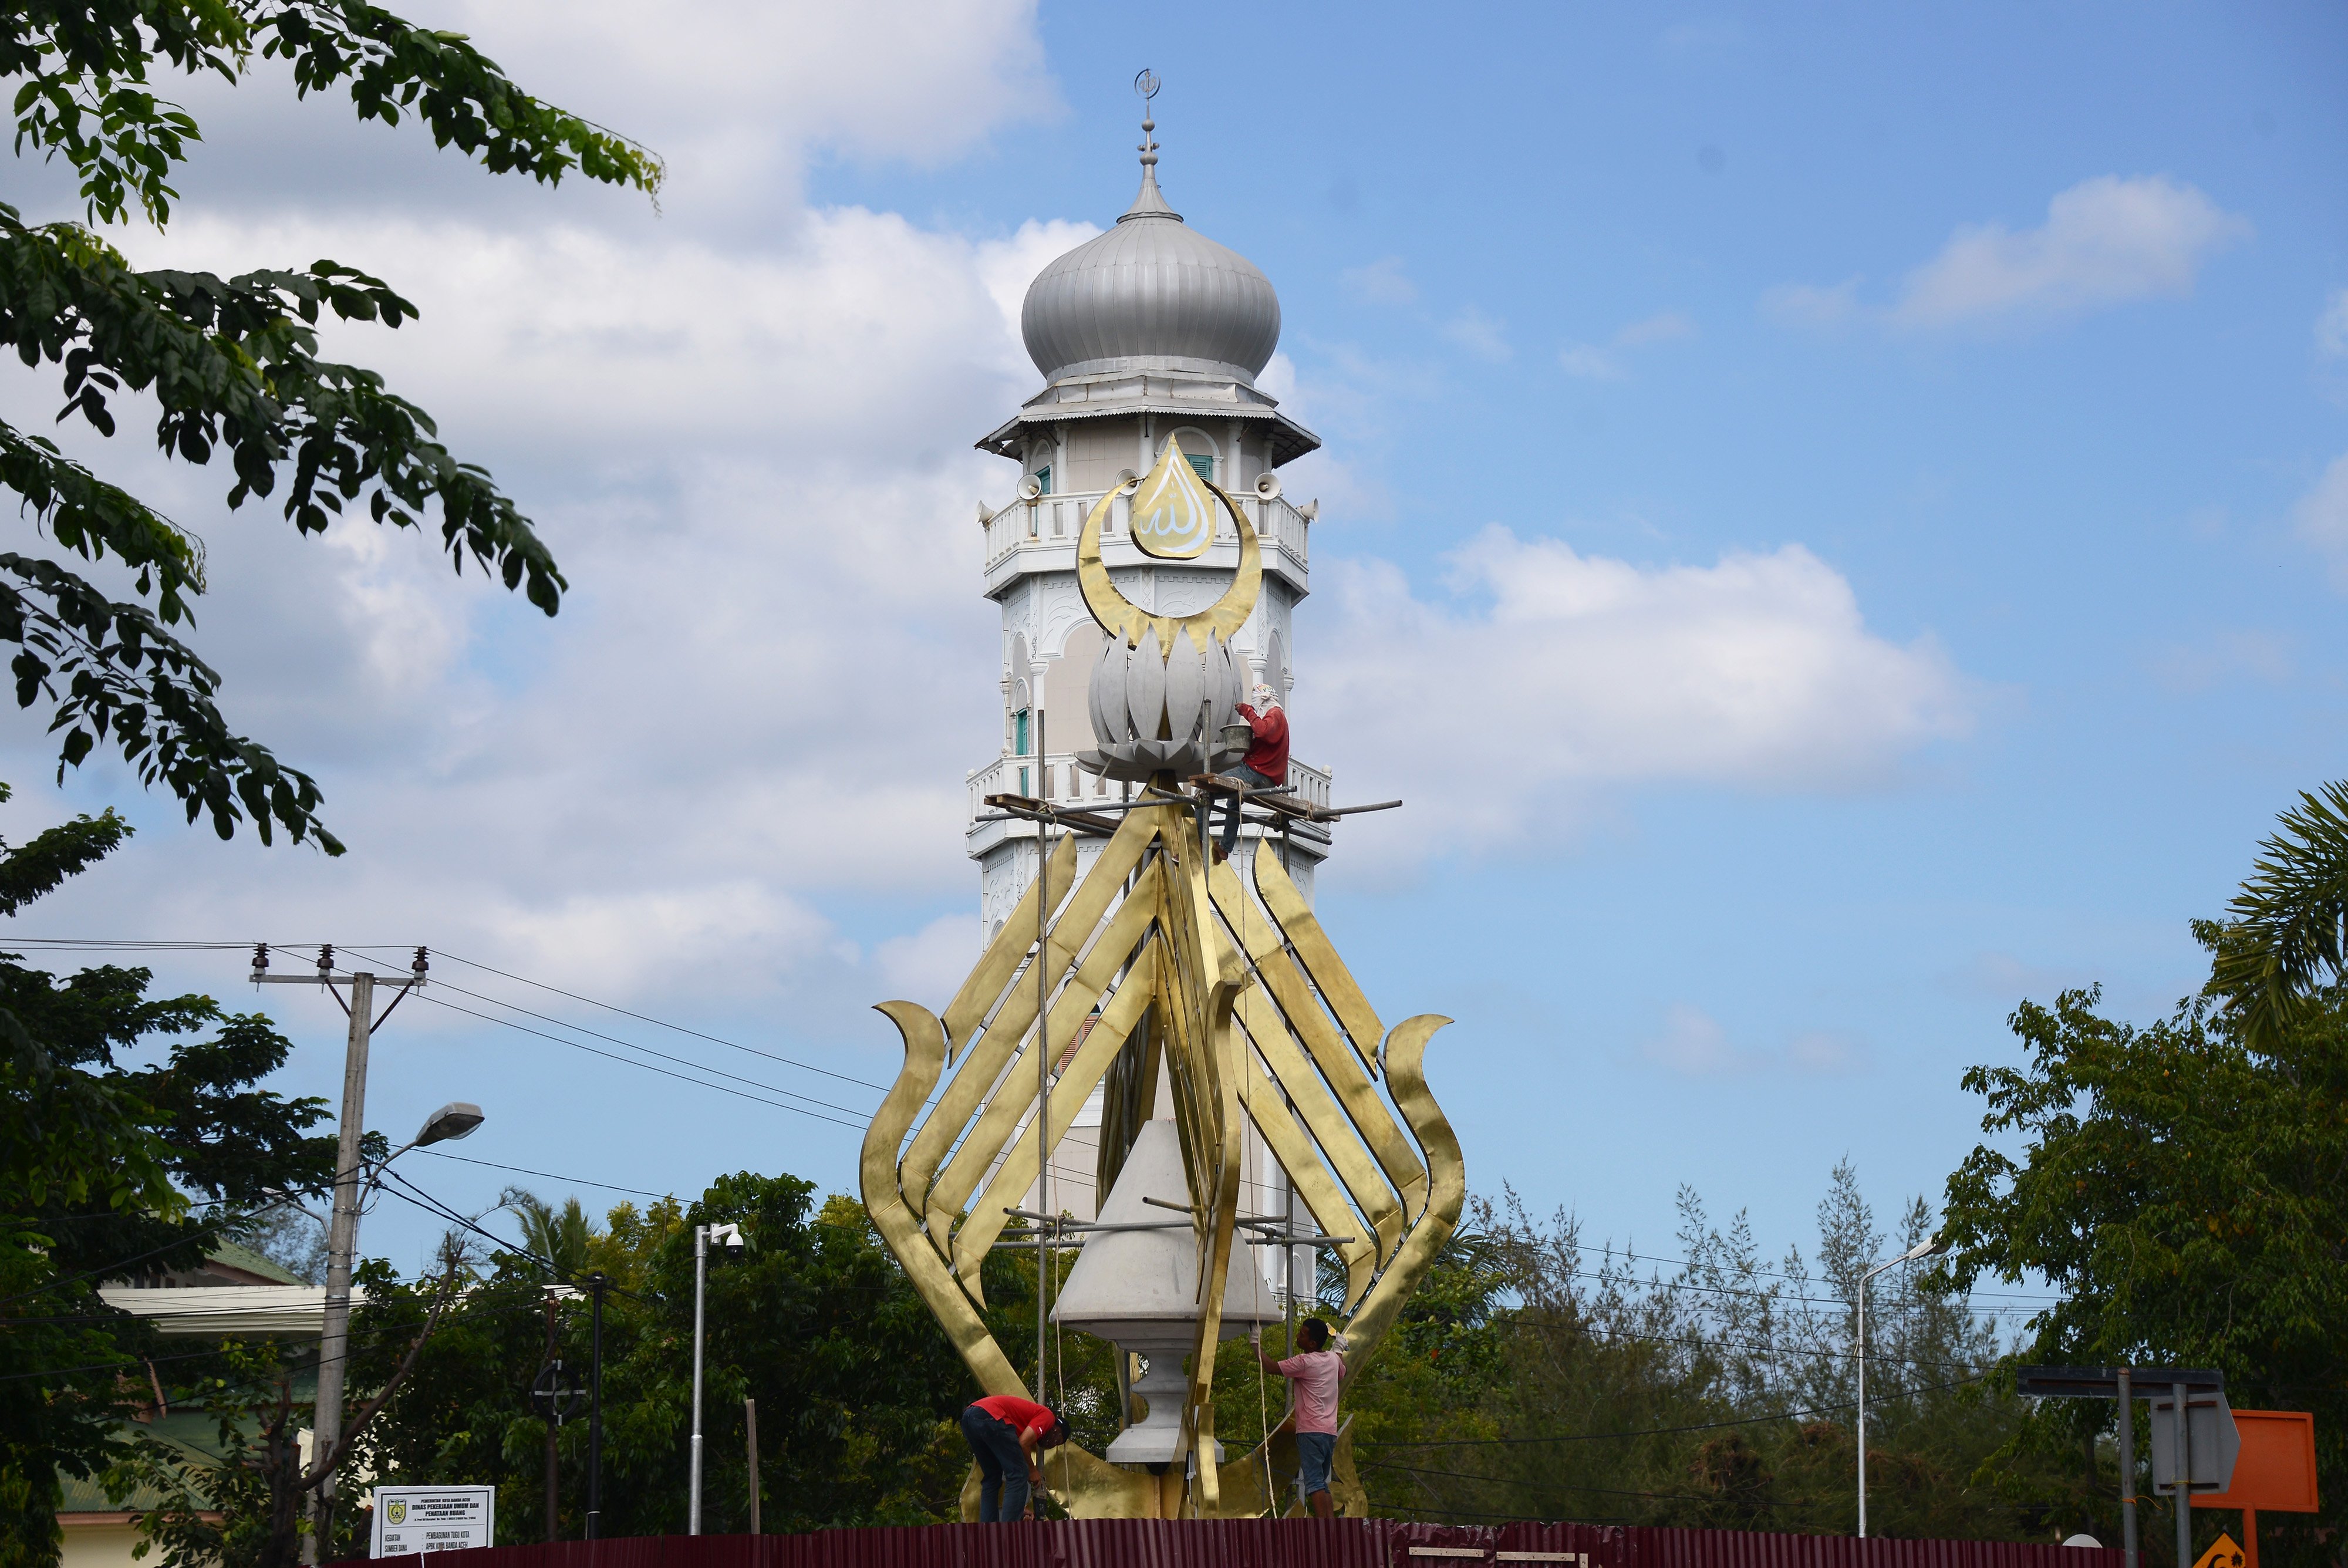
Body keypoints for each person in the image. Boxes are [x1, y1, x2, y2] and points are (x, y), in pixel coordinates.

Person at [1251, 1317, 1347, 1519]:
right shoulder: (1332, 1359)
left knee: (1314, 1483)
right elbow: (1341, 1369)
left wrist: (1255, 1343)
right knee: (1322, 1482)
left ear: (1312, 1344)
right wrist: (1338, 1348)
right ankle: (1331, 1526)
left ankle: (1324, 1528)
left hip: (1310, 1431)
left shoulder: (1305, 1362)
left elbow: (1270, 1367)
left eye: (1302, 1335)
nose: (1298, 1336)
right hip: (1329, 1433)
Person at [959, 1393, 1068, 1522]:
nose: (1052, 1443)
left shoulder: (1023, 1423)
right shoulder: (1048, 1418)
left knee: (992, 1476)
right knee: (1019, 1474)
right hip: (991, 1416)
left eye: (1056, 1444)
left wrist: (1020, 1509)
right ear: (1056, 1428)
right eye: (1057, 1438)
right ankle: (1010, 1531)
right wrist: (1033, 1471)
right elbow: (1023, 1443)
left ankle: (988, 1531)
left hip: (969, 1418)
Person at [1215, 683, 1290, 859]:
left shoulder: (1275, 715)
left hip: (1258, 772)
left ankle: (1197, 840)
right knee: (1234, 801)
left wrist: (1247, 711)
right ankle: (1225, 847)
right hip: (1265, 774)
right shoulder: (1274, 717)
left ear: (1262, 701)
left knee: (1206, 791)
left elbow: (1263, 731)